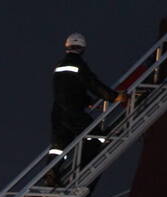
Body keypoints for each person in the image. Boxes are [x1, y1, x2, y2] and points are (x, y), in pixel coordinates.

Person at [44, 33, 128, 186]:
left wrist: (87, 101)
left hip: (58, 112)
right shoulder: (78, 65)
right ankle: (83, 166)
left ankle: (51, 172)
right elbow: (92, 84)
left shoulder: (59, 65)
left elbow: (69, 88)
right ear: (82, 48)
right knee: (95, 136)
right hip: (72, 111)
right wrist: (114, 97)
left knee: (59, 146)